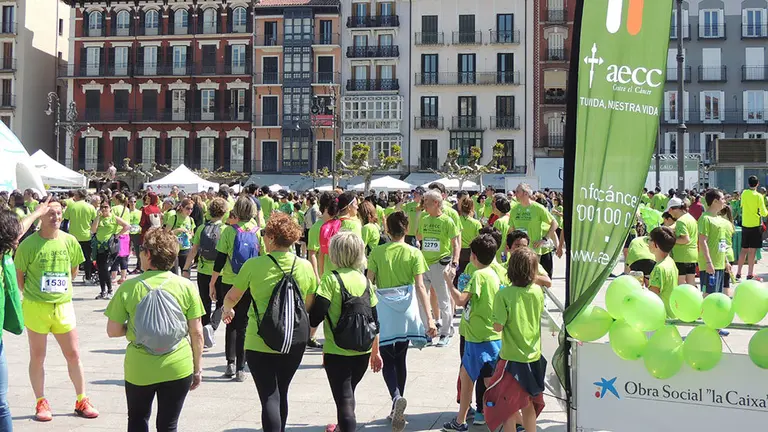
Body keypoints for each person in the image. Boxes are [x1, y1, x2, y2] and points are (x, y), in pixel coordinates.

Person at [220, 213, 317, 432]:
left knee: (269, 396)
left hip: (259, 340)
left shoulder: (254, 265)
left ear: (272, 238)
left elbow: (232, 297)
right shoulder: (304, 267)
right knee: (281, 391)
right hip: (294, 339)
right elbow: (309, 302)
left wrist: (228, 309)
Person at [104, 227, 203, 431]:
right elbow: (197, 332)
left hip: (140, 367)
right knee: (169, 424)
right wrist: (197, 369)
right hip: (178, 365)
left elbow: (112, 330)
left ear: (148, 254)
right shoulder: (186, 287)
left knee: (138, 419)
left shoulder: (129, 287)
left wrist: (134, 328)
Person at [15, 198, 99, 422]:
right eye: (51, 214)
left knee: (73, 354)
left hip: (63, 306)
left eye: (59, 214)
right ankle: (40, 401)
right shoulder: (28, 245)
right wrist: (37, 295)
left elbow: (73, 271)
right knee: (38, 355)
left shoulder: (69, 241)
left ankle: (82, 399)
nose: (56, 218)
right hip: (36, 307)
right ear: (40, 216)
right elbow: (20, 279)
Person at [367, 212, 437, 432]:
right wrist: (430, 318)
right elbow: (421, 286)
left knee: (387, 357)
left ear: (387, 230)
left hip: (384, 309)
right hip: (406, 309)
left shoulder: (377, 252)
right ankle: (398, 402)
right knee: (401, 357)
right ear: (406, 229)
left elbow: (368, 283)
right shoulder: (414, 252)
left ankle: (396, 398)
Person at [309, 232, 381, 432]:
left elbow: (316, 316)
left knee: (344, 400)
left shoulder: (330, 279)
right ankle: (341, 426)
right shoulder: (365, 281)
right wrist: (376, 351)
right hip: (362, 352)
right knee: (347, 394)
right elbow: (375, 321)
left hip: (337, 351)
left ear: (334, 253)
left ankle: (345, 426)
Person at [442, 235, 502, 432]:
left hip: (477, 338)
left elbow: (460, 300)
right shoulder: (494, 274)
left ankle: (461, 421)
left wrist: (448, 282)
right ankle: (506, 420)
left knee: (468, 379)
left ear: (473, 256)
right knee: (488, 382)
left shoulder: (478, 275)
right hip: (492, 336)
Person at [486, 247, 546, 432]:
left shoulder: (503, 295)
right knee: (528, 403)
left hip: (511, 360)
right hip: (534, 356)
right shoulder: (537, 291)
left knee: (507, 408)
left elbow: (498, 326)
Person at [210, 196, 264, 381]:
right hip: (250, 283)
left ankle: (230, 363)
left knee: (229, 321)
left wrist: (212, 282)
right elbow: (263, 256)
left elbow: (220, 259)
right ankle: (242, 366)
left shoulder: (228, 231)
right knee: (244, 324)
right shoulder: (258, 231)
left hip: (230, 281)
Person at [417, 190, 460, 347]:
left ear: (436, 203)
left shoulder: (447, 221)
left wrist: (454, 263)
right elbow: (419, 236)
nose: (424, 205)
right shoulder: (423, 218)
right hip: (424, 264)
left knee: (443, 300)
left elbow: (455, 244)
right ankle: (428, 331)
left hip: (440, 265)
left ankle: (446, 332)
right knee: (422, 300)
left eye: (426, 202)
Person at [183, 197, 228, 349]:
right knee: (222, 302)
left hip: (203, 269)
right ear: (224, 212)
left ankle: (205, 329)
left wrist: (186, 268)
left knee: (204, 302)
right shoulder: (225, 230)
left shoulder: (201, 228)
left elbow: (193, 250)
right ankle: (212, 327)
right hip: (221, 271)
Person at [508, 184, 558, 278]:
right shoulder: (514, 209)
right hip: (518, 251)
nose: (515, 194)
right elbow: (511, 229)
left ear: (526, 193)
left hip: (533, 251)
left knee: (531, 277)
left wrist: (544, 239)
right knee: (519, 278)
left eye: (518, 192)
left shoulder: (538, 208)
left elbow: (554, 224)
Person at [698, 190, 732, 328]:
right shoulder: (705, 218)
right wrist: (708, 262)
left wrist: (726, 261)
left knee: (717, 296)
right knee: (709, 295)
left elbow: (722, 243)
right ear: (715, 201)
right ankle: (707, 324)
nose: (725, 201)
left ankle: (716, 325)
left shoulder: (720, 220)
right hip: (709, 265)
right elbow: (702, 241)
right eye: (722, 198)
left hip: (720, 264)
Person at [91, 201, 130, 299]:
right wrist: (98, 217)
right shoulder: (99, 218)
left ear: (110, 208)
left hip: (109, 247)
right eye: (102, 207)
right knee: (100, 269)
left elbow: (127, 226)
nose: (104, 209)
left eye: (106, 207)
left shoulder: (113, 217)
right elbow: (93, 230)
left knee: (104, 268)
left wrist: (117, 235)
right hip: (99, 246)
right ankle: (103, 291)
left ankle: (110, 290)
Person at [736, 176, 767, 281]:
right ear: (757, 184)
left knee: (743, 250)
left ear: (748, 183)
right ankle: (750, 273)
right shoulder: (759, 196)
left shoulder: (744, 193)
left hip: (745, 225)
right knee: (752, 251)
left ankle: (739, 272)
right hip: (755, 225)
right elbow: (763, 212)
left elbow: (741, 205)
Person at [63, 189, 97, 284]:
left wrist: (65, 233)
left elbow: (65, 222)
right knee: (87, 258)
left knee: (70, 258)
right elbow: (95, 221)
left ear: (78, 196)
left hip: (72, 236)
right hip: (86, 236)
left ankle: (69, 277)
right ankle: (88, 277)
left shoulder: (71, 206)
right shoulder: (90, 207)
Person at [646, 226, 678, 318]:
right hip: (670, 314)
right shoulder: (670, 262)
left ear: (656, 244)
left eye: (650, 239)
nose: (648, 242)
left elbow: (653, 296)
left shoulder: (659, 268)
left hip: (659, 317)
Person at [666, 197, 698, 286]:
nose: (669, 213)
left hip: (681, 256)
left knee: (680, 284)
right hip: (692, 255)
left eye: (669, 210)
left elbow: (685, 239)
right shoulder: (690, 218)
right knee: (691, 283)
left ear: (673, 209)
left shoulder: (680, 221)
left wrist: (671, 240)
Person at [166, 198, 196, 275]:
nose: (190, 211)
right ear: (182, 207)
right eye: (187, 208)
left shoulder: (191, 219)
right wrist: (177, 230)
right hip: (174, 249)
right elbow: (165, 234)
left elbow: (192, 234)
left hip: (186, 249)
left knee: (186, 274)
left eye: (191, 209)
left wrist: (189, 235)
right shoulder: (174, 218)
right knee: (174, 274)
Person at [457, 197, 482, 285]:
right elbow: (479, 239)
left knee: (458, 274)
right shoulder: (476, 223)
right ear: (472, 208)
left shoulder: (456, 220)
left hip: (457, 251)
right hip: (471, 252)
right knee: (469, 275)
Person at [492, 196, 512, 262]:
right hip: (508, 251)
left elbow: (495, 238)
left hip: (500, 252)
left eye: (494, 207)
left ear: (498, 209)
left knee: (501, 268)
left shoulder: (499, 222)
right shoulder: (510, 219)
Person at [127, 195, 143, 274]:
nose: (133, 203)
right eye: (131, 201)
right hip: (128, 233)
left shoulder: (140, 212)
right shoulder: (126, 212)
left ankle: (139, 266)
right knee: (126, 251)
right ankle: (124, 267)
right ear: (128, 202)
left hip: (137, 233)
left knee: (137, 251)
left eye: (134, 201)